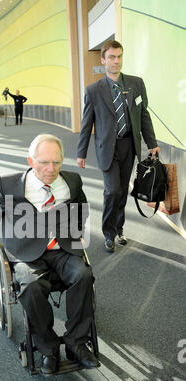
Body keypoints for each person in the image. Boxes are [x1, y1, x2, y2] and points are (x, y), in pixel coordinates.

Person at [0, 134, 100, 375]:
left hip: (62, 249)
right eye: (44, 162)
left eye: (56, 162)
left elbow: (81, 206)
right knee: (31, 287)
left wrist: (76, 230)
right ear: (30, 160)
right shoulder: (9, 184)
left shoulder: (72, 182)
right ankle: (48, 348)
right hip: (26, 253)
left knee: (84, 276)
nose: (51, 169)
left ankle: (76, 342)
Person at [76, 40, 160, 253]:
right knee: (112, 191)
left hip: (129, 146)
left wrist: (152, 143)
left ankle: (119, 229)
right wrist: (81, 152)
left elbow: (143, 115)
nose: (116, 61)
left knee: (122, 191)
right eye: (112, 57)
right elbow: (87, 123)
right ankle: (108, 233)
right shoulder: (94, 90)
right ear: (103, 60)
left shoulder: (136, 84)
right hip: (107, 149)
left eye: (119, 56)